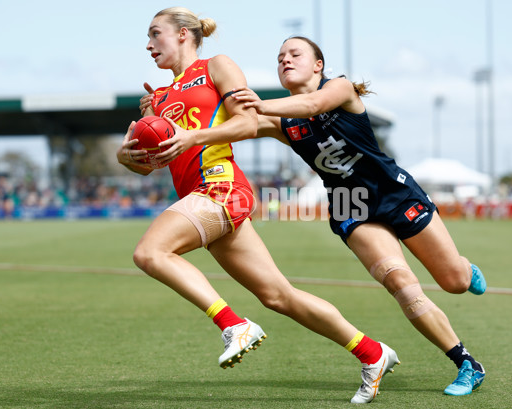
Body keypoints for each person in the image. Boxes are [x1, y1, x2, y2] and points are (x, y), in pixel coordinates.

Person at [122, 8, 398, 403]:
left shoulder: (216, 66)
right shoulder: (158, 99)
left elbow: (248, 124)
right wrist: (125, 154)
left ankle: (232, 324)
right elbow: (144, 166)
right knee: (279, 296)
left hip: (221, 187)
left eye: (155, 34)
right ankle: (372, 352)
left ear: (184, 34)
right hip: (199, 197)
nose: (148, 45)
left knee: (150, 252)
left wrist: (193, 136)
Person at [228, 36, 487, 397]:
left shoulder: (339, 88)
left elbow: (313, 103)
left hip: (395, 194)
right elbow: (234, 124)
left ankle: (463, 268)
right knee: (400, 284)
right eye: (279, 57)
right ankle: (466, 364)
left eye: (295, 54)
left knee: (454, 282)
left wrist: (260, 103)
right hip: (352, 207)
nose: (285, 60)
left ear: (318, 64)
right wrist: (167, 115)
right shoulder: (283, 120)